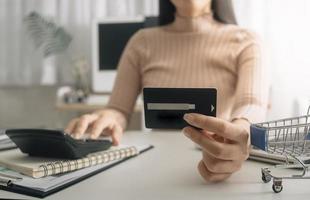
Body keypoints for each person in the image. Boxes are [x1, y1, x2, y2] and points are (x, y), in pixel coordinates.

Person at [65, 0, 269, 182]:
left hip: (219, 166)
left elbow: (251, 103)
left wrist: (242, 131)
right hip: (152, 172)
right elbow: (118, 109)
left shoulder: (246, 40)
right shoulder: (141, 41)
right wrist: (106, 118)